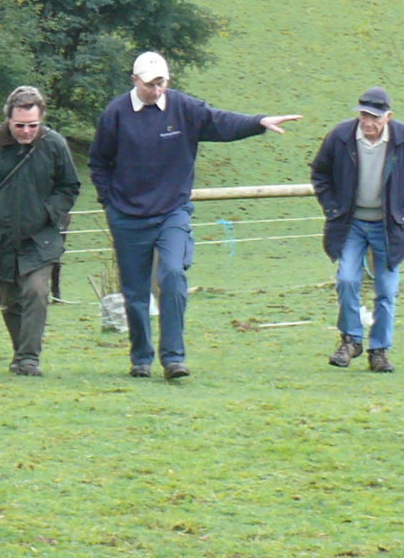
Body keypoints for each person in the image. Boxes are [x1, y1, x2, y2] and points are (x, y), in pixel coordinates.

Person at [88, 51, 300, 380]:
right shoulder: (115, 114)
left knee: (173, 275)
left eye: (161, 83)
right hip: (128, 216)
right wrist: (110, 204)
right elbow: (99, 163)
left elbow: (220, 122)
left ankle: (174, 358)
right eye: (149, 85)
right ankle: (140, 358)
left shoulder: (183, 108)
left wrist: (258, 122)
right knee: (135, 293)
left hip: (172, 211)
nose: (156, 90)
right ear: (134, 81)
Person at [308, 87, 404, 375]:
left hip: (389, 228)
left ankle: (379, 350)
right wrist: (333, 208)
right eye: (364, 115)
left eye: (375, 117)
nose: (368, 123)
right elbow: (320, 173)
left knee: (386, 291)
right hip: (351, 224)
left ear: (389, 117)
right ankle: (351, 340)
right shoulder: (340, 137)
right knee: (346, 279)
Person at [0, 86, 80, 377]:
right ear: (8, 120)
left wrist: (47, 212)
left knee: (37, 292)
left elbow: (69, 187)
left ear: (41, 120)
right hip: (1, 235)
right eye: (20, 125)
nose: (26, 131)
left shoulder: (54, 145)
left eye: (32, 125)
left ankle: (29, 359)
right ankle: (20, 354)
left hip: (41, 237)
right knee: (9, 300)